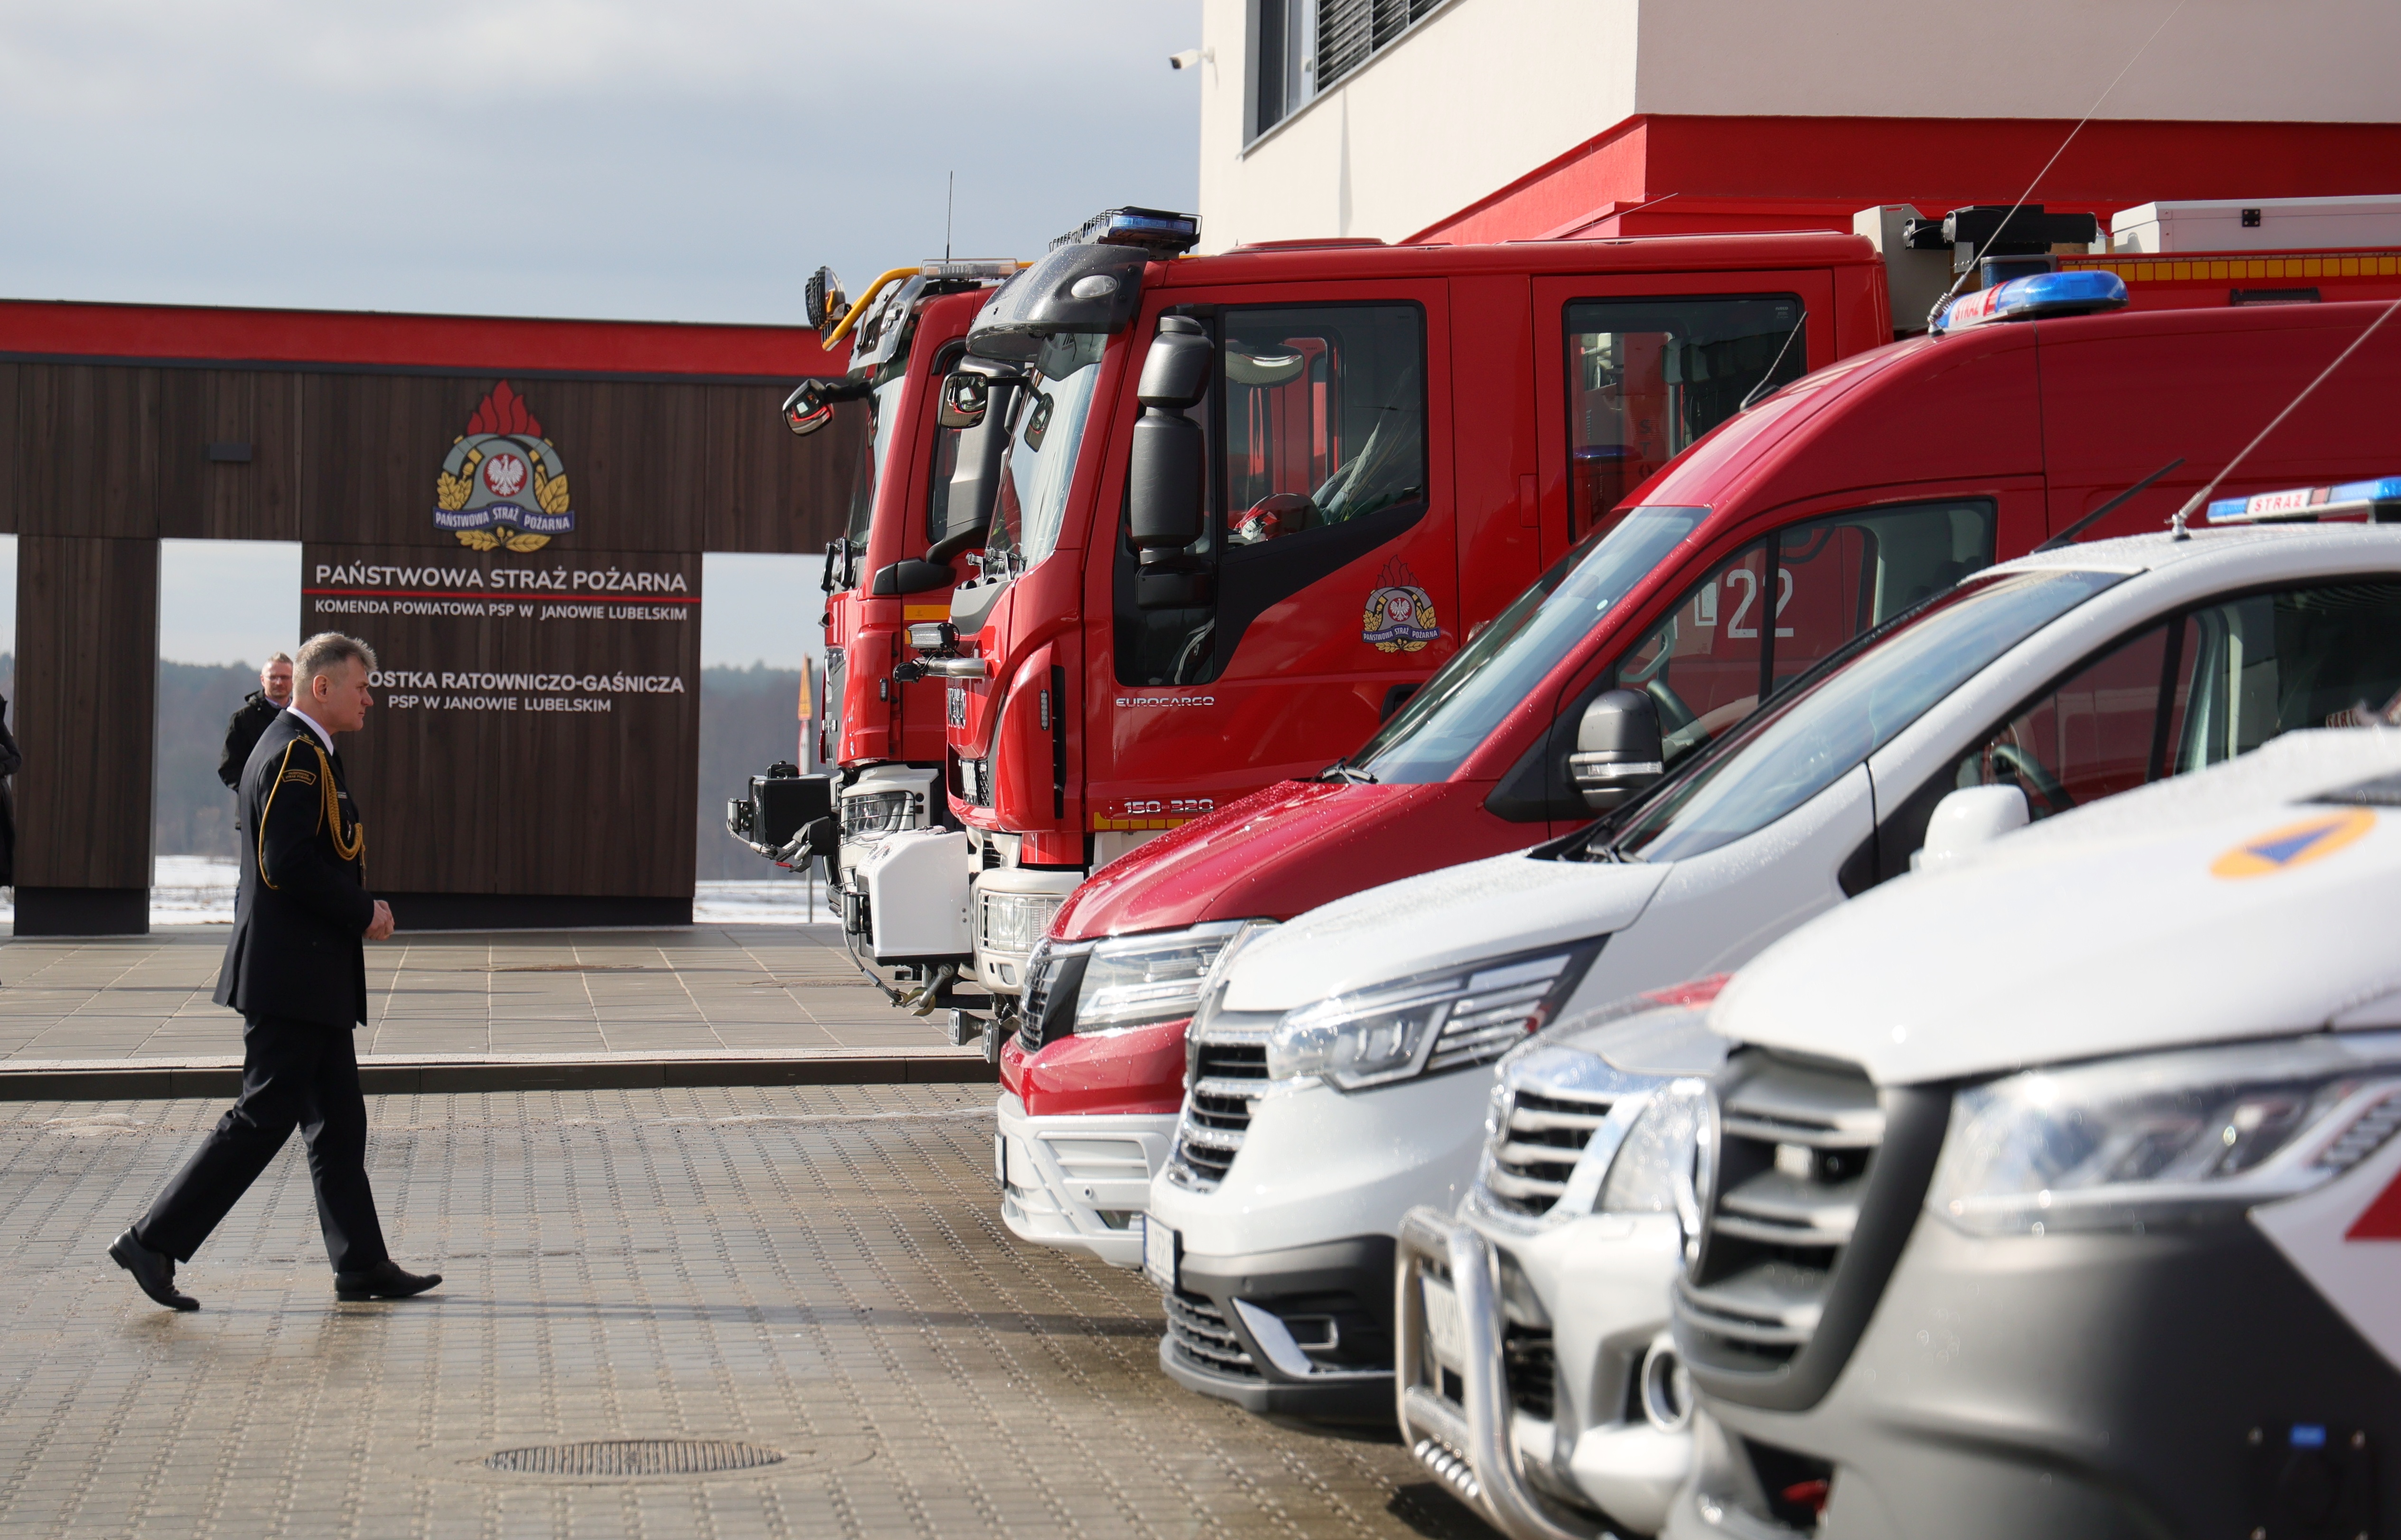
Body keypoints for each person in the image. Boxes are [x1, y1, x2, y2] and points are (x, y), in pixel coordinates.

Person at [111, 632, 438, 1310]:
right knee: (263, 1116)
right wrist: (362, 910)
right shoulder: (295, 754)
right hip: (293, 976)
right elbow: (286, 863)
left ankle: (361, 1264)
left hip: (308, 976)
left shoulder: (305, 749)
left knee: (338, 1123)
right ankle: (152, 1240)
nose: (369, 700)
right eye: (361, 688)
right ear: (324, 687)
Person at [218, 652, 294, 792]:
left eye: (284, 677)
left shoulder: (304, 717)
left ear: (294, 680)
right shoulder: (243, 719)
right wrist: (255, 794)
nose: (279, 683)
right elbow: (230, 769)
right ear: (263, 680)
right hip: (259, 803)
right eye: (273, 677)